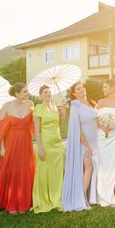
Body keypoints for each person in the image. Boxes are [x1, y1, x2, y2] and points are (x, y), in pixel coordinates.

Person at [0, 83, 35, 215]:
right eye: (24, 92)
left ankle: (24, 201)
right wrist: (2, 147)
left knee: (24, 170)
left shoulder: (30, 104)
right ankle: (11, 202)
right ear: (16, 94)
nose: (27, 94)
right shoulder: (7, 106)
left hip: (26, 143)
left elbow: (36, 122)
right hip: (11, 143)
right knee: (11, 170)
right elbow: (1, 128)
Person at [62, 82, 98, 211]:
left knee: (95, 167)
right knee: (89, 167)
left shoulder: (91, 103)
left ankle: (94, 195)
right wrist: (86, 145)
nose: (82, 89)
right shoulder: (75, 106)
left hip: (96, 141)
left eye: (82, 87)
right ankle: (82, 198)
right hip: (83, 142)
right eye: (78, 89)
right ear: (74, 94)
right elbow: (77, 128)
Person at [31, 85, 66, 213]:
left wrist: (64, 112)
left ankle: (57, 198)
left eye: (49, 92)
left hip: (57, 143)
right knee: (44, 171)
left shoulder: (55, 107)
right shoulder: (38, 108)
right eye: (45, 92)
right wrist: (40, 148)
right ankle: (44, 200)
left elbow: (60, 124)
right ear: (40, 95)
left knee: (58, 171)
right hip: (45, 144)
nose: (48, 94)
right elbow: (37, 130)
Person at [97, 79, 115, 207]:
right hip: (103, 136)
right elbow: (97, 120)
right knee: (104, 165)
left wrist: (114, 126)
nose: (103, 89)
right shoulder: (100, 102)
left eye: (105, 87)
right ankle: (103, 195)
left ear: (112, 88)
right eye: (103, 87)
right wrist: (104, 128)